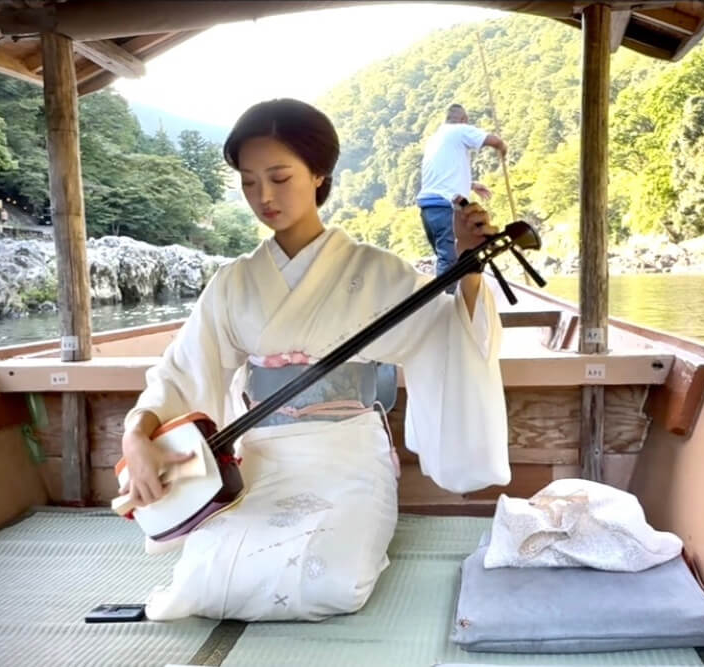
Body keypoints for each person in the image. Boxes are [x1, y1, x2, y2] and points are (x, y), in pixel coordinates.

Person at [119, 99, 510, 622]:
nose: (264, 196)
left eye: (280, 177)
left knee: (332, 583)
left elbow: (445, 332)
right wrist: (136, 436)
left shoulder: (372, 271)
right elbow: (181, 372)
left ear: (319, 173)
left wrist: (467, 269)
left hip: (346, 455)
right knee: (205, 584)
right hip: (263, 458)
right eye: (250, 182)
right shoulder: (234, 282)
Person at [416, 103, 507, 279]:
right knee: (451, 262)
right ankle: (447, 303)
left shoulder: (435, 138)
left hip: (428, 210)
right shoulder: (459, 130)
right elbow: (494, 141)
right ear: (463, 120)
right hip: (445, 207)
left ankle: (449, 297)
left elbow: (443, 174)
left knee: (447, 258)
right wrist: (502, 147)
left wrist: (471, 184)